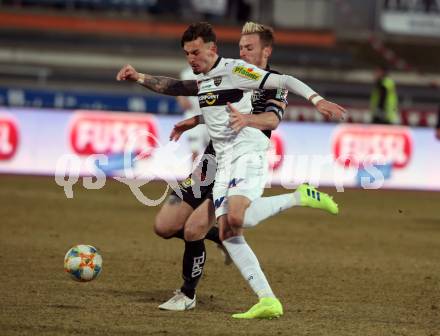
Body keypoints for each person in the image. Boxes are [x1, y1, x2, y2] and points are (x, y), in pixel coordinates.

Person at [116, 21, 345, 319]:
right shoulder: (216, 76)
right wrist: (190, 115)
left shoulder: (255, 77)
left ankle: (187, 293)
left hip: (243, 155)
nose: (243, 51)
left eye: (249, 47)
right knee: (165, 226)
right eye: (240, 46)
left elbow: (271, 119)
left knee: (200, 228)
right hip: (213, 160)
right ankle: (221, 237)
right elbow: (200, 94)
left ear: (266, 50)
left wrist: (315, 100)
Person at [177, 67, 210, 163]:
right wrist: (181, 98)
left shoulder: (213, 71)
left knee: (212, 149)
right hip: (192, 114)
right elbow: (179, 90)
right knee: (194, 149)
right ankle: (194, 175)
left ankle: (211, 175)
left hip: (209, 115)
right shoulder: (186, 74)